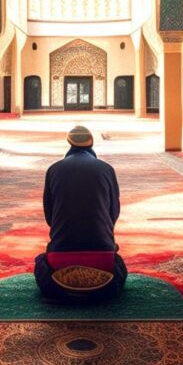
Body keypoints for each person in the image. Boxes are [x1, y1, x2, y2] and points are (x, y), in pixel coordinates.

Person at [34, 125, 128, 303]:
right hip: (103, 262)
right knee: (118, 268)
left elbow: (49, 216)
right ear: (91, 144)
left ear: (69, 143)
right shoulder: (106, 169)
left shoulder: (54, 169)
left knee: (40, 263)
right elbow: (113, 212)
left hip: (59, 262)